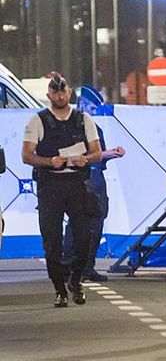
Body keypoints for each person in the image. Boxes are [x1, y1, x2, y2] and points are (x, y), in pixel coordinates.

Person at [22, 72, 102, 307]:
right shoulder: (37, 121)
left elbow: (96, 152)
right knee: (52, 240)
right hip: (50, 186)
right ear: (49, 95)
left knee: (84, 237)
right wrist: (50, 162)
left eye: (63, 90)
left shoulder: (83, 119)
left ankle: (76, 279)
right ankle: (59, 288)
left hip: (77, 184)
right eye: (55, 91)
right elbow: (27, 155)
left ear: (69, 92)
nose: (59, 95)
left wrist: (85, 160)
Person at [63, 88, 126, 282]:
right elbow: (83, 156)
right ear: (82, 104)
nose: (94, 111)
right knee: (82, 223)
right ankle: (74, 267)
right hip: (84, 179)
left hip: (92, 179)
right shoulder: (76, 127)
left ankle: (82, 267)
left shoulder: (89, 127)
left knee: (90, 223)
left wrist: (107, 154)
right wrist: (109, 153)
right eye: (92, 107)